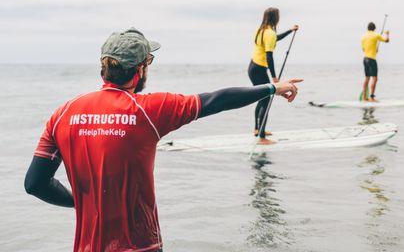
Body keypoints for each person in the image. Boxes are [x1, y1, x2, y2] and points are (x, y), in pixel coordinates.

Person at [24, 27, 302, 252]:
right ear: (140, 70)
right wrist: (270, 88)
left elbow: (34, 184)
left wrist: (81, 201)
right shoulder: (150, 110)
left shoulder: (63, 114)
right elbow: (216, 100)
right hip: (141, 245)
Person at [248, 7, 299, 144]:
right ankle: (262, 137)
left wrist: (290, 31)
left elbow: (276, 38)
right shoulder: (269, 32)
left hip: (253, 67)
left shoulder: (262, 30)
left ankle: (257, 129)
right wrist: (275, 78)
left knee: (261, 98)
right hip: (259, 69)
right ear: (275, 18)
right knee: (265, 100)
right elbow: (269, 56)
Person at [361, 22, 390, 102]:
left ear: (368, 28)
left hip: (365, 59)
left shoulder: (363, 37)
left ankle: (364, 98)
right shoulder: (376, 35)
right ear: (374, 28)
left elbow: (364, 49)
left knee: (367, 78)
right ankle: (371, 97)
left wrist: (375, 49)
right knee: (375, 78)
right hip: (371, 59)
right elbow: (387, 40)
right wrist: (387, 34)